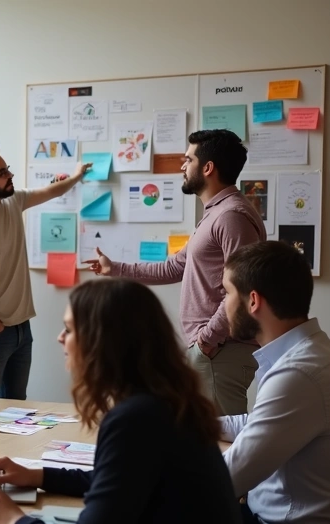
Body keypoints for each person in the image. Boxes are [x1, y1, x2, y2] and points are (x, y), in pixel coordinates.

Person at [0, 278, 281, 524]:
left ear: (104, 344)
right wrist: (39, 475)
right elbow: (123, 483)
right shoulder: (169, 404)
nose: (60, 338)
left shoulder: (136, 418)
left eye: (69, 329)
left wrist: (12, 521)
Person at [85, 129, 266, 416]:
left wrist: (208, 340)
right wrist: (114, 268)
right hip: (212, 351)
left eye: (188, 159)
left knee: (222, 446)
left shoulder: (231, 216)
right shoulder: (215, 213)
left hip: (221, 351)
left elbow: (245, 286)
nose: (182, 166)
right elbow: (175, 266)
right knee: (202, 439)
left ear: (208, 168)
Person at [220, 241, 330, 524]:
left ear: (253, 301)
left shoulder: (300, 374)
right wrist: (186, 422)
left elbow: (225, 482)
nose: (222, 305)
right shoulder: (322, 354)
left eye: (226, 293)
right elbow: (256, 424)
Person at [0, 145, 90, 400]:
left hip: (20, 329)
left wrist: (77, 176)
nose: (10, 176)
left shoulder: (12, 201)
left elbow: (50, 190)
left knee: (16, 410)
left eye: (8, 170)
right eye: (2, 173)